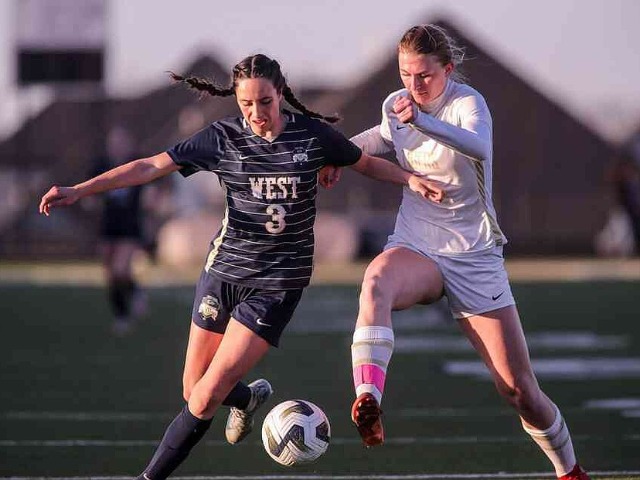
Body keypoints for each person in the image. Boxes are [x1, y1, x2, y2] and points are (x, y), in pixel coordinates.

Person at [39, 53, 443, 480]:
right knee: (193, 387)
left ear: (280, 94)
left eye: (264, 102)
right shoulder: (223, 137)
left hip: (277, 284)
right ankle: (249, 399)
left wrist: (408, 178)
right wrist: (79, 190)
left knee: (207, 393)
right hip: (223, 273)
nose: (256, 113)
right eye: (246, 104)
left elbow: (363, 162)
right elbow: (150, 166)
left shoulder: (311, 137)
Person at [345, 25, 590, 480]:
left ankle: (569, 470)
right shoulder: (396, 105)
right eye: (405, 75)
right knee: (375, 282)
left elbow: (477, 145)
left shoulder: (467, 104)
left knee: (519, 391)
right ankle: (369, 399)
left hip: (474, 254)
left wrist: (421, 121)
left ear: (447, 69)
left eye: (423, 76)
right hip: (417, 243)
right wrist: (335, 153)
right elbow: (378, 139)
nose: (413, 86)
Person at [92, 126, 149, 334]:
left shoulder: (137, 164)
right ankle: (135, 292)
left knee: (119, 269)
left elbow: (154, 186)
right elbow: (90, 191)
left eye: (121, 142)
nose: (117, 147)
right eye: (114, 143)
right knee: (111, 273)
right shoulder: (101, 165)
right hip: (108, 225)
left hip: (129, 227)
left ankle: (122, 317)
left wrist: (154, 198)